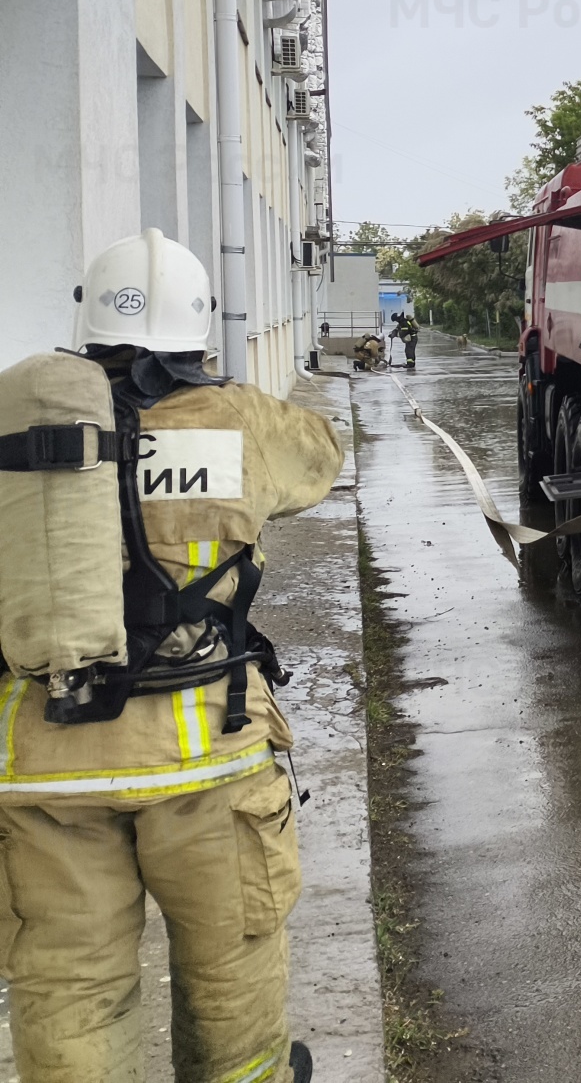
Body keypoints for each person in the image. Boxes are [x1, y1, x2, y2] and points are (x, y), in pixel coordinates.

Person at [0, 228, 343, 1081]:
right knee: (231, 972)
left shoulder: (13, 425)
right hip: (208, 766)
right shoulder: (241, 420)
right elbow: (322, 461)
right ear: (198, 326)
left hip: (45, 768)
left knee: (70, 989)